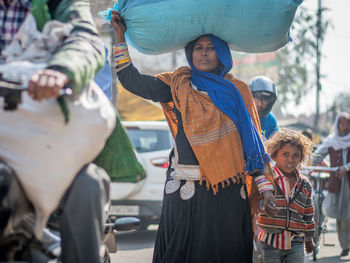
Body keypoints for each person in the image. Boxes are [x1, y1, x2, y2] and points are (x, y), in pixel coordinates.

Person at [111, 11, 278, 263]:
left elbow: (251, 143)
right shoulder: (177, 86)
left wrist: (264, 187)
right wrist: (120, 36)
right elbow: (132, 80)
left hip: (227, 195)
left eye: (211, 48)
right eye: (198, 47)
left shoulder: (238, 91)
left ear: (222, 53)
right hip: (184, 194)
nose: (204, 52)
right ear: (190, 53)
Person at [0, 1, 109, 262]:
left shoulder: (60, 4)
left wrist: (60, 71)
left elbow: (85, 40)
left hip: (48, 130)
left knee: (88, 183)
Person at [257, 128, 316, 263]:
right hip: (270, 241)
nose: (290, 159)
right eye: (285, 154)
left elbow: (308, 214)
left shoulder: (304, 184)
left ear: (301, 158)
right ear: (274, 155)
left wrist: (309, 238)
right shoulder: (266, 179)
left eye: (296, 155)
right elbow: (255, 203)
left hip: (296, 241)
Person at [313, 112, 350, 257]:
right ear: (337, 125)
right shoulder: (331, 140)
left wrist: (346, 168)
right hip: (336, 182)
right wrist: (306, 163)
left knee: (346, 215)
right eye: (341, 123)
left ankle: (345, 243)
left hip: (348, 182)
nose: (344, 126)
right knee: (340, 214)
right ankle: (345, 244)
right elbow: (318, 155)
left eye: (347, 123)